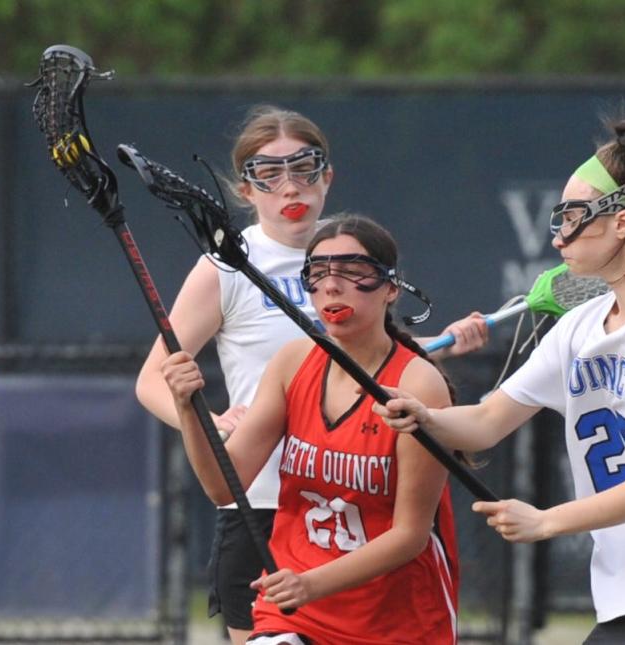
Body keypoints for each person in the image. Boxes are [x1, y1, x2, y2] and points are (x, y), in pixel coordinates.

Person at [375, 116, 625, 644]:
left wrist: (545, 521)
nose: (559, 235)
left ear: (622, 224)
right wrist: (425, 417)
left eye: (572, 216)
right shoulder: (579, 328)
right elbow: (487, 420)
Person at [135, 106, 485, 645]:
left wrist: (432, 359)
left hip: (368, 506)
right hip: (268, 500)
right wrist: (207, 419)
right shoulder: (229, 265)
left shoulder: (351, 248)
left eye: (303, 169)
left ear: (327, 176)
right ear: (246, 190)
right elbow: (154, 379)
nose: (289, 186)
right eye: (269, 174)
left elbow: (378, 362)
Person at [161, 214, 461, 644]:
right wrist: (189, 409)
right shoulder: (293, 362)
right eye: (317, 273)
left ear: (391, 288)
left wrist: (312, 583)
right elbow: (225, 487)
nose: (331, 286)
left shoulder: (418, 384)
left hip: (394, 621)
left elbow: (410, 536)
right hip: (297, 615)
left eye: (353, 272)